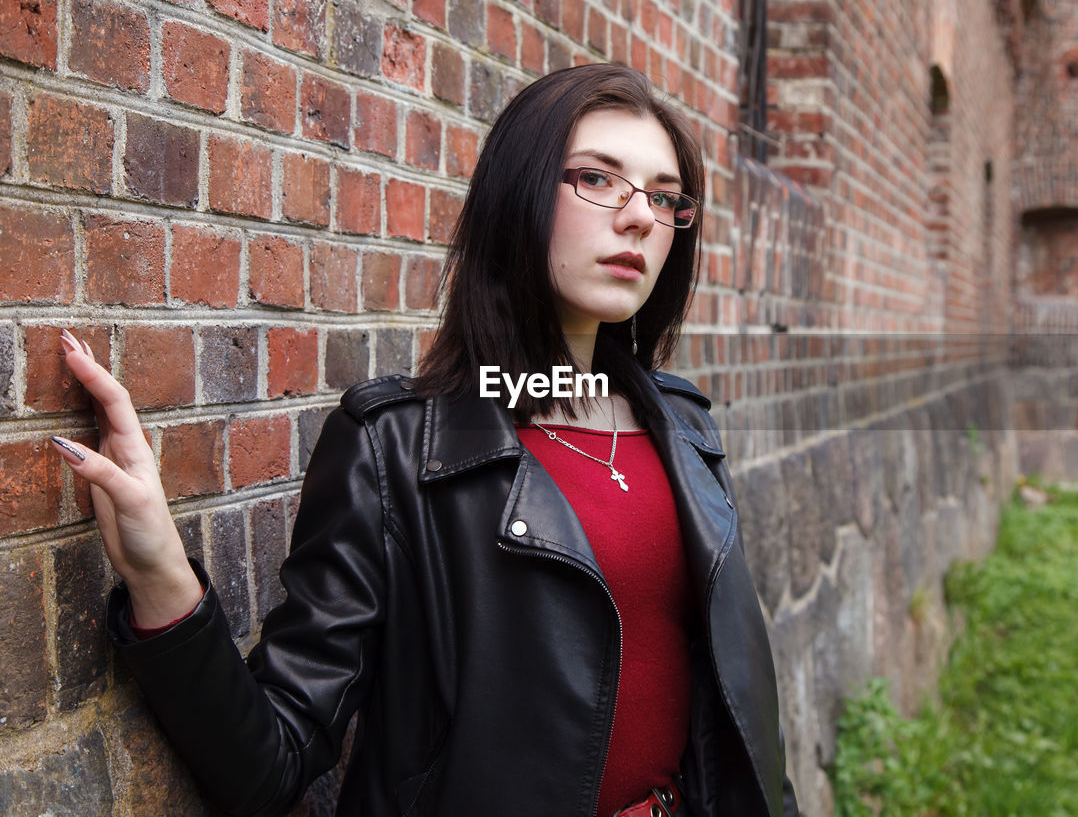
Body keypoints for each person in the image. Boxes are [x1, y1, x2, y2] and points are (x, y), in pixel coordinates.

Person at [54, 63, 799, 817]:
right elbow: (272, 761)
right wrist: (161, 582)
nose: (639, 215)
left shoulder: (684, 426)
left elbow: (740, 721)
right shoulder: (395, 451)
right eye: (598, 179)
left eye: (664, 195)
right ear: (520, 193)